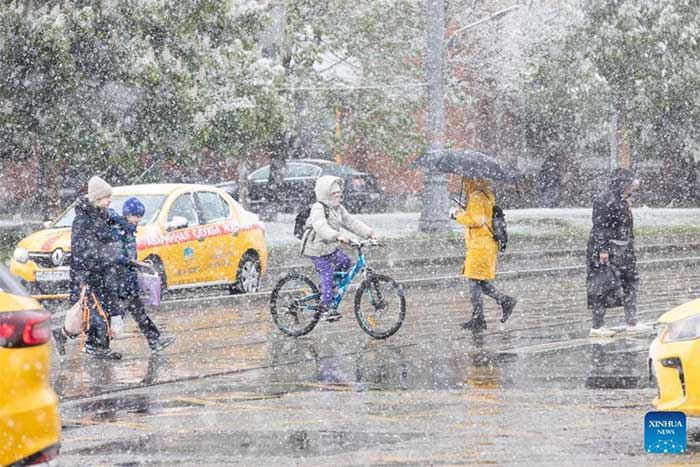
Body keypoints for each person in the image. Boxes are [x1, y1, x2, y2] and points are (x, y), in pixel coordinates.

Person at [53, 176, 122, 359]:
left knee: (101, 310)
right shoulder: (83, 220)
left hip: (102, 272)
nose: (110, 200)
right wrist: (83, 276)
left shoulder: (102, 216)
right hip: (89, 274)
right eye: (107, 197)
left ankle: (64, 335)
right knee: (95, 312)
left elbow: (105, 243)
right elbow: (80, 250)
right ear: (97, 198)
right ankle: (97, 347)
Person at [301, 175, 377, 321]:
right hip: (316, 248)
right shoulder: (319, 208)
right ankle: (326, 307)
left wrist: (369, 233)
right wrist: (337, 236)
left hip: (330, 247)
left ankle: (327, 288)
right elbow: (320, 226)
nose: (337, 195)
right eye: (334, 193)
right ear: (325, 194)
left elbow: (351, 222)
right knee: (327, 272)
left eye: (338, 192)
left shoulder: (338, 208)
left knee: (345, 262)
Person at [106, 197, 175, 352]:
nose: (138, 220)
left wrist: (135, 264)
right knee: (119, 317)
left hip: (126, 280)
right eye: (136, 216)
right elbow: (116, 256)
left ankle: (154, 341)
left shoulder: (127, 230)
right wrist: (135, 264)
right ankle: (97, 344)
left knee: (133, 314)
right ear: (128, 214)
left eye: (140, 217)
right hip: (120, 280)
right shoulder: (119, 231)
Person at [451, 178, 517, 331]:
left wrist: (458, 216)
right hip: (485, 244)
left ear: (472, 181)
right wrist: (466, 210)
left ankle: (479, 318)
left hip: (480, 246)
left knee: (474, 281)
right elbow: (483, 216)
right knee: (479, 281)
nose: (465, 184)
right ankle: (504, 301)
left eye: (467, 181)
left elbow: (477, 220)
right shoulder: (486, 194)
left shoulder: (476, 196)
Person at [586, 168, 643, 337]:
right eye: (630, 184)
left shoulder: (620, 199)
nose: (632, 188)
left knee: (630, 281)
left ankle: (632, 321)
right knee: (602, 285)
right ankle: (597, 325)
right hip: (609, 249)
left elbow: (624, 226)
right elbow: (600, 226)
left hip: (623, 248)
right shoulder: (605, 200)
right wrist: (603, 249)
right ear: (622, 184)